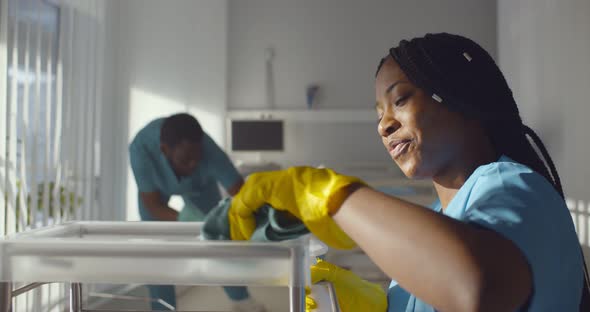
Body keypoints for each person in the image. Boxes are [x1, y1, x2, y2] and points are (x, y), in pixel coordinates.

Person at [228, 33, 590, 311]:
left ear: (459, 96)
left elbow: (477, 287)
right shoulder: (443, 219)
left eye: (399, 100)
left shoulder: (512, 186)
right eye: (378, 113)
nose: (384, 124)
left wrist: (329, 195)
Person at [129, 113, 265, 311]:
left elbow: (240, 192)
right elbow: (152, 204)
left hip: (200, 187)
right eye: (186, 160)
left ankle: (242, 301)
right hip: (156, 195)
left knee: (218, 241)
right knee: (155, 249)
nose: (193, 164)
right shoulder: (140, 149)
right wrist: (184, 219)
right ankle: (163, 308)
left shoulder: (208, 150)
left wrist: (252, 220)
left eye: (197, 158)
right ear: (165, 150)